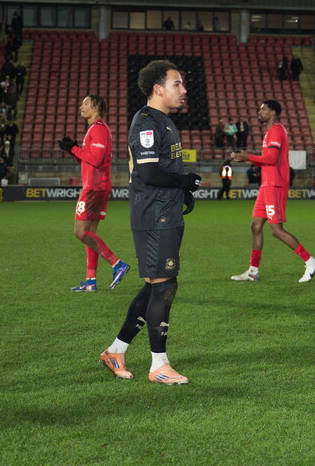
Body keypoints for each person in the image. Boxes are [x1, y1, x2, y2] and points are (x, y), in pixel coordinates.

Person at [98, 60, 201, 386]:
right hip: (153, 215)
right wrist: (187, 182)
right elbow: (149, 173)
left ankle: (115, 351)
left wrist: (182, 191)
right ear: (158, 89)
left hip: (165, 213)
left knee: (156, 285)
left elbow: (163, 170)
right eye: (177, 84)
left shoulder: (165, 121)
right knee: (165, 286)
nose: (184, 91)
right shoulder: (145, 122)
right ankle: (159, 365)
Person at [230, 100, 315, 283]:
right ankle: (253, 271)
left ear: (272, 113)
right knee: (255, 226)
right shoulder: (271, 132)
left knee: (276, 230)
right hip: (267, 184)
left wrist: (247, 156)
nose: (259, 111)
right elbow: (266, 160)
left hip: (275, 184)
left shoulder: (276, 130)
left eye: (263, 108)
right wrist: (245, 159)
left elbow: (271, 159)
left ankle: (311, 262)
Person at [58, 95, 130, 292]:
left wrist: (74, 148)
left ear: (96, 107)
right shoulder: (98, 128)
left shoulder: (98, 129)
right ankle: (90, 280)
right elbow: (91, 160)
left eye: (86, 104)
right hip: (100, 186)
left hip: (94, 188)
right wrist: (73, 151)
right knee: (91, 234)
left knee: (80, 232)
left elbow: (96, 159)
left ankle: (117, 264)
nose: (81, 106)